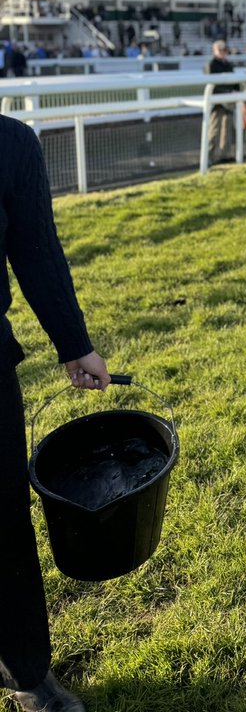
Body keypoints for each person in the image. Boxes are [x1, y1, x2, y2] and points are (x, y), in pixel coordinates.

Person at [1, 114, 111, 712]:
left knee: (4, 517)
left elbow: (35, 249)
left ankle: (25, 673)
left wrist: (75, 344)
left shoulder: (11, 142)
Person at [204, 39, 237, 164]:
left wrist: (235, 91)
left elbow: (234, 81)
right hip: (216, 102)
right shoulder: (211, 64)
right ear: (215, 51)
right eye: (221, 50)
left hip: (227, 102)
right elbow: (213, 84)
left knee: (226, 129)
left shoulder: (228, 64)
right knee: (214, 129)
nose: (224, 52)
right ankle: (208, 156)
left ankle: (224, 155)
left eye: (225, 49)